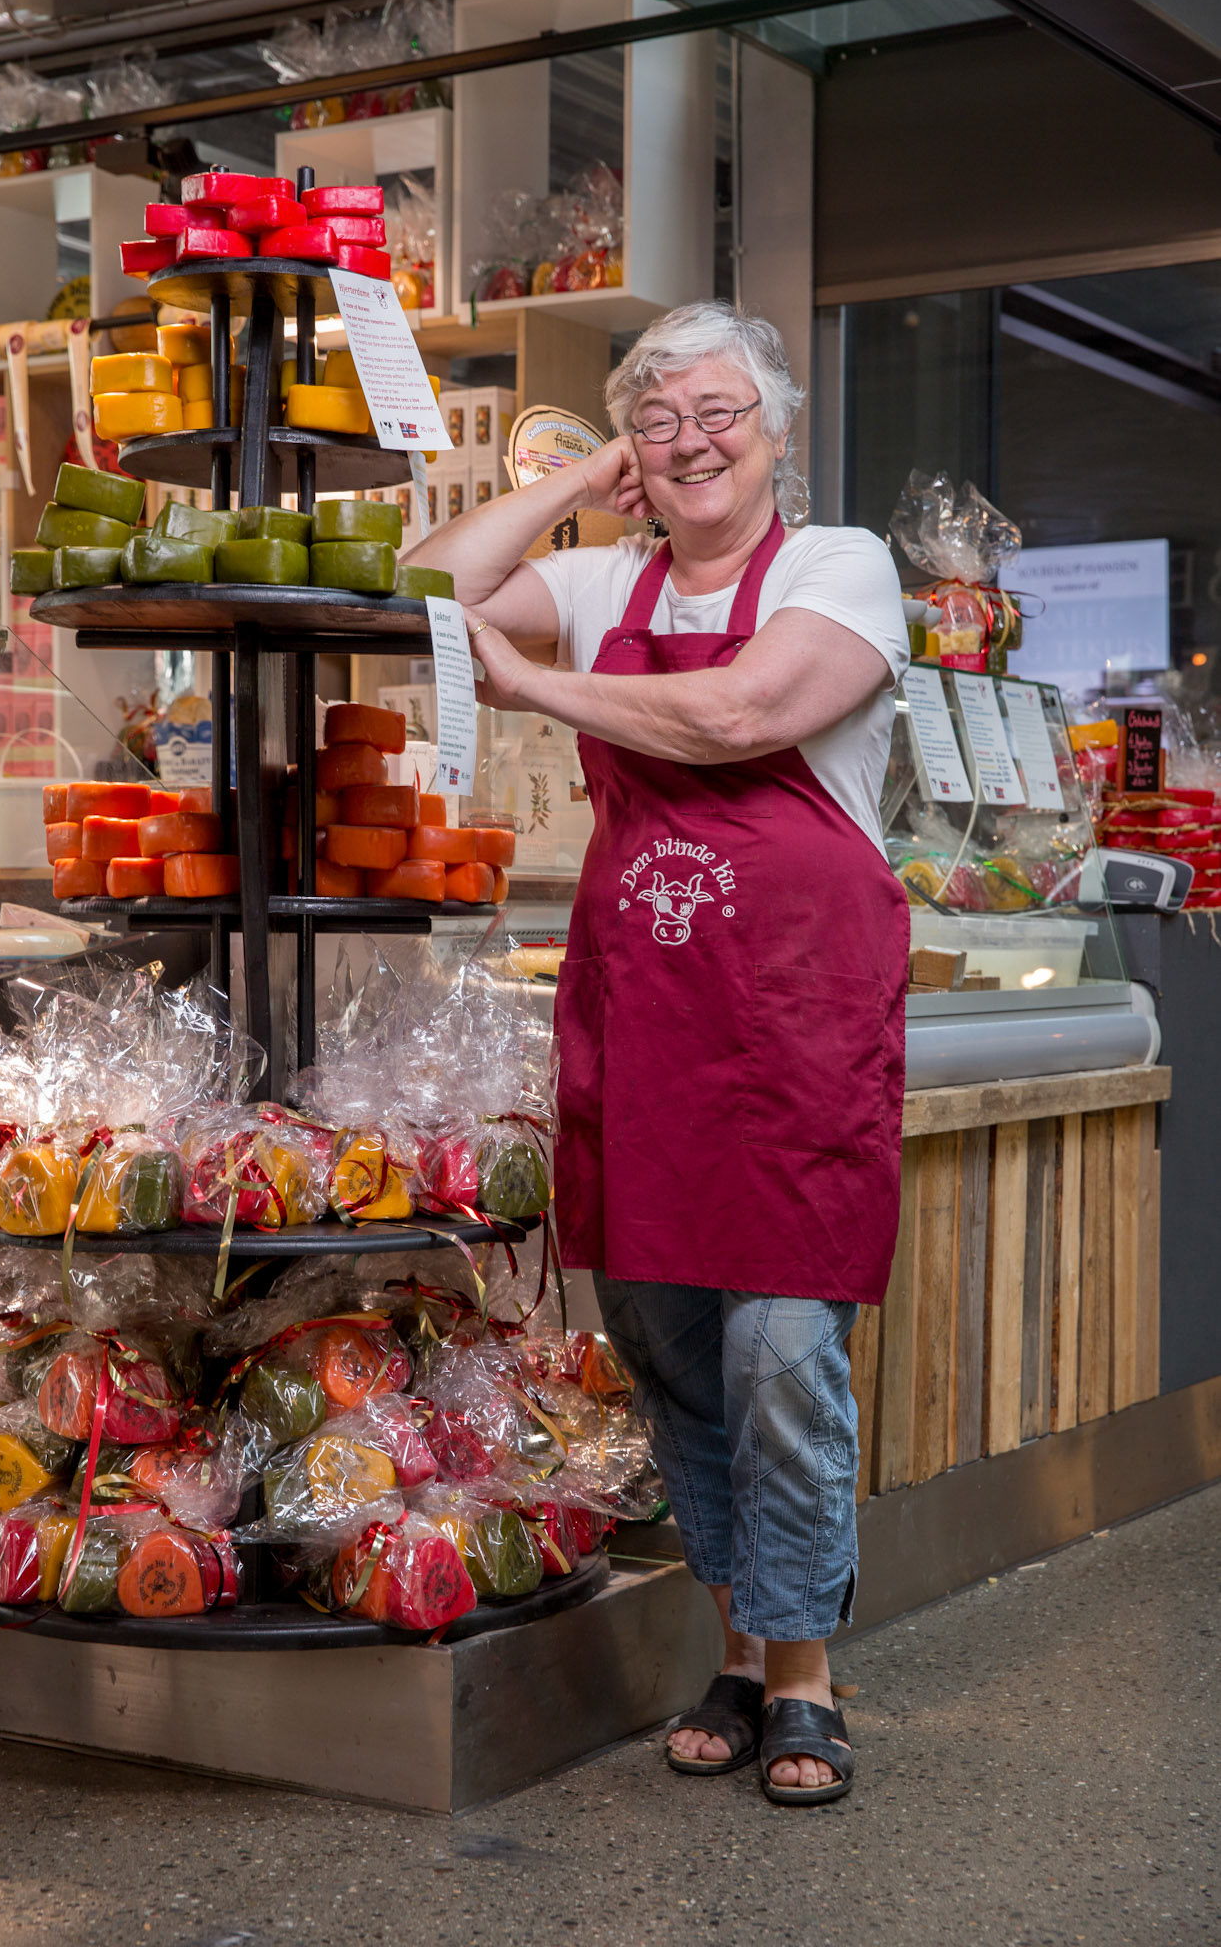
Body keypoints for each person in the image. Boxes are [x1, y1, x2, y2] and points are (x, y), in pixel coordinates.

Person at [417, 301, 909, 1804]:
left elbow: (741, 710)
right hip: (642, 1013)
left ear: (775, 435)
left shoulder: (840, 568)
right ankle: (741, 1656)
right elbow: (424, 593)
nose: (692, 441)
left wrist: (541, 685)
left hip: (797, 1021)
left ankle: (808, 1673)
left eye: (718, 413)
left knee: (779, 1357)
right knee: (673, 1354)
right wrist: (571, 482)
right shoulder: (605, 567)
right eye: (658, 418)